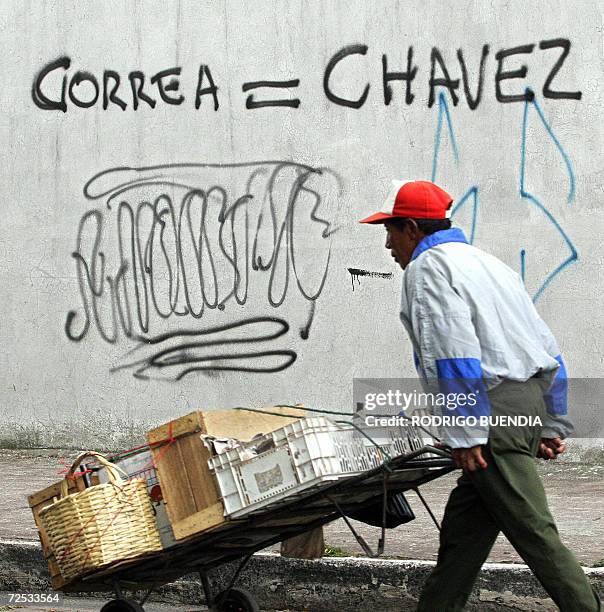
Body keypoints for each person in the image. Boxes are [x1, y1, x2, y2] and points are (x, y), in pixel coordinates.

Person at [360, 180, 601, 612]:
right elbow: (546, 347)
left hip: (490, 414)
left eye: (390, 231)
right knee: (463, 537)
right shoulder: (488, 264)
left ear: (412, 228)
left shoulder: (428, 268)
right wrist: (550, 421)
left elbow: (453, 355)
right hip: (519, 404)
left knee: (534, 533)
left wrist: (466, 432)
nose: (387, 244)